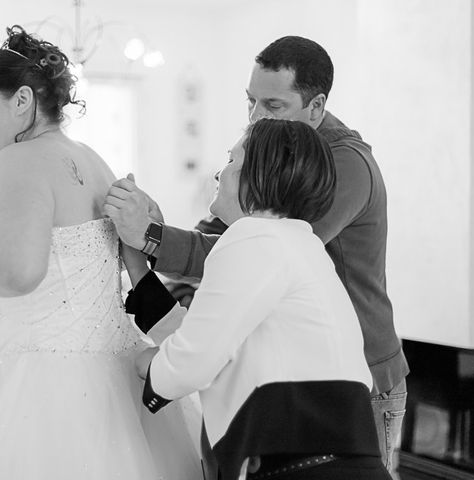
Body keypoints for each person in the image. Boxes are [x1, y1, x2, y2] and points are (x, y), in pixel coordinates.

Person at [0, 25, 201, 479]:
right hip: (116, 381)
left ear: (22, 101)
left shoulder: (19, 160)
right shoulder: (95, 160)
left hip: (40, 389)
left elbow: (18, 273)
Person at [105, 36, 408, 475]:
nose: (253, 119)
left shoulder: (333, 172)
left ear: (316, 106)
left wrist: (151, 236)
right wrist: (144, 247)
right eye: (250, 102)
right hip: (284, 390)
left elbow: (232, 251)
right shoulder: (270, 171)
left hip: (351, 386)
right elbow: (218, 244)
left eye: (272, 105)